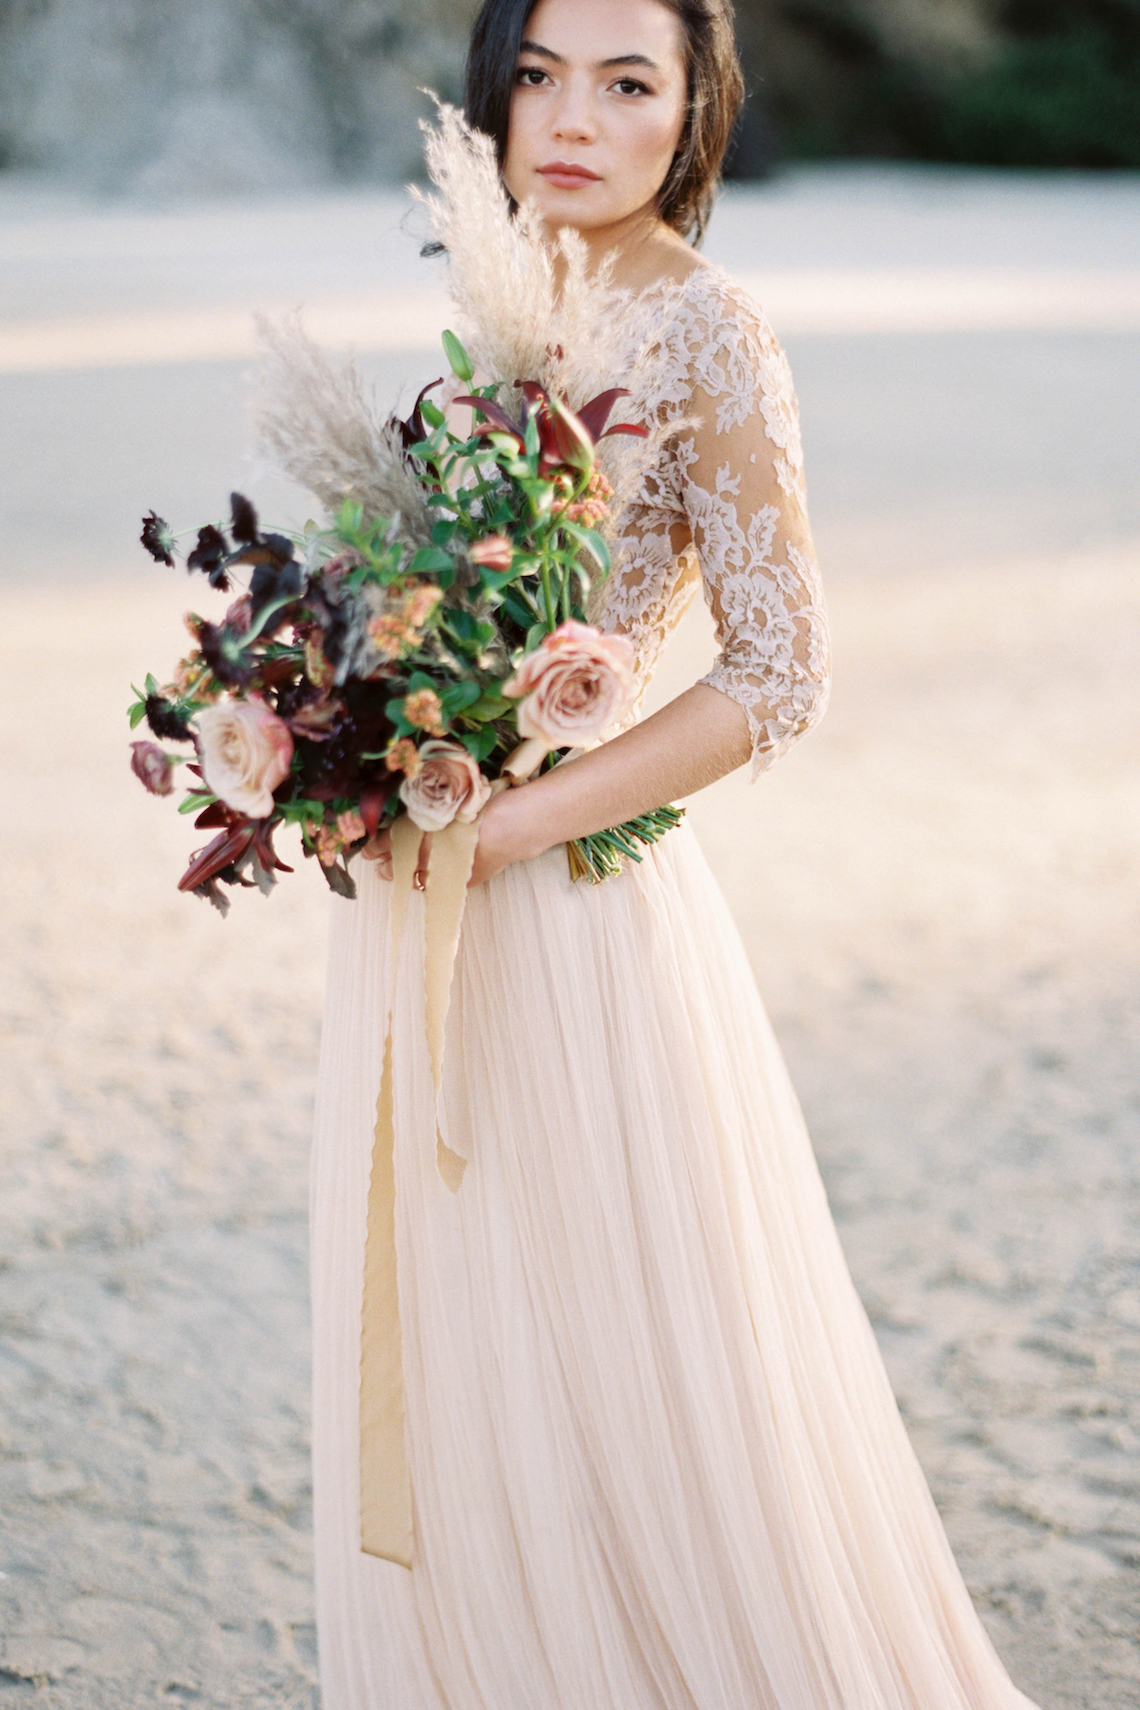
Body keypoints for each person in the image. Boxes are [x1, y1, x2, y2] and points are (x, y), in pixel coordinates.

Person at [307, 1, 1041, 1704]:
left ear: (696, 107)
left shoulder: (713, 329)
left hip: (576, 901)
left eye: (628, 81)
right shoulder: (497, 312)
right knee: (465, 1341)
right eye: (542, 74)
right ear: (494, 94)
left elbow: (782, 672)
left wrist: (517, 823)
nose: (573, 116)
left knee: (633, 1346)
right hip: (419, 895)